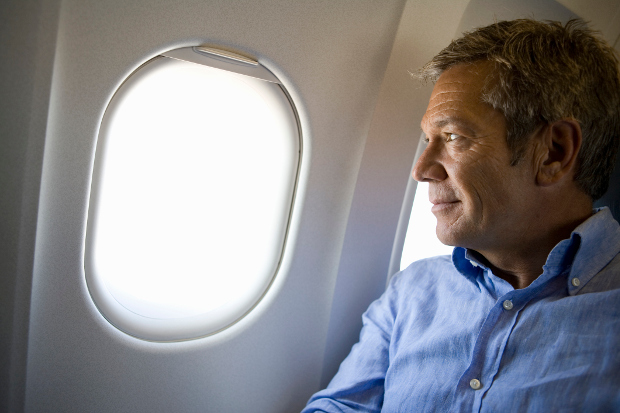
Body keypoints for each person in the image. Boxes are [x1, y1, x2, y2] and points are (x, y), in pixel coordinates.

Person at [303, 18, 620, 412]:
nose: (421, 170)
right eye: (427, 140)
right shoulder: (413, 292)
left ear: (553, 152)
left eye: (453, 137)